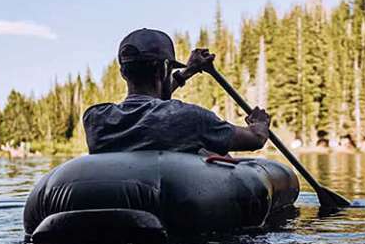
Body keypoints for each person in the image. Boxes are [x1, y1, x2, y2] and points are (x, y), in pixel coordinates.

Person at [83, 28, 270, 156]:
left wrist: (186, 73)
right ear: (164, 69)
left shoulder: (96, 119)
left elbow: (150, 106)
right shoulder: (190, 118)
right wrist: (259, 124)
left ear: (123, 72)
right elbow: (255, 140)